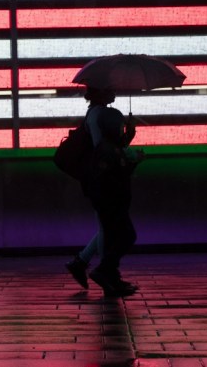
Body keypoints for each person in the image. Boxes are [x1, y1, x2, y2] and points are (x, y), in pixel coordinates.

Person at [65, 87, 140, 291]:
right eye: (109, 87)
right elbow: (103, 148)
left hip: (99, 180)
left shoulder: (94, 113)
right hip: (105, 181)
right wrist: (127, 153)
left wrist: (128, 136)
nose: (114, 90)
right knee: (115, 231)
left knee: (107, 227)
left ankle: (85, 264)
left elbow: (105, 147)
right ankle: (106, 274)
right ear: (101, 92)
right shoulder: (101, 114)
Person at [79, 105, 144, 298]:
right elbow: (117, 172)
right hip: (113, 203)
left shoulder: (107, 147)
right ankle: (104, 271)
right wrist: (135, 161)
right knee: (126, 236)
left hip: (110, 202)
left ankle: (111, 278)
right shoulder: (109, 150)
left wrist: (129, 136)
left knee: (116, 238)